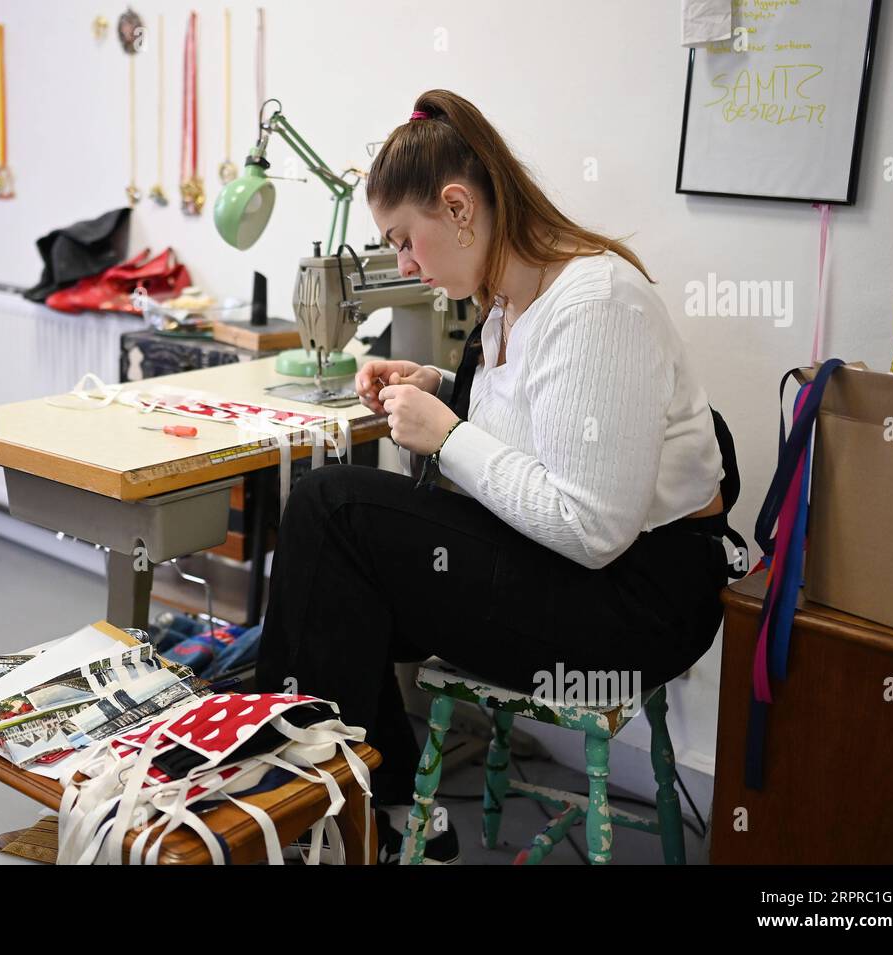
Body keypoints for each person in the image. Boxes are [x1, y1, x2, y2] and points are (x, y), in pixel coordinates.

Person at [254, 89, 739, 864]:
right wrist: (447, 390)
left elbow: (593, 529)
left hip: (636, 603)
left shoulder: (597, 303)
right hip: (575, 572)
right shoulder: (511, 302)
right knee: (336, 576)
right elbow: (543, 433)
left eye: (405, 241)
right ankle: (362, 813)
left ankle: (325, 812)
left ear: (457, 207)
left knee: (328, 509)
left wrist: (448, 438)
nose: (405, 265)